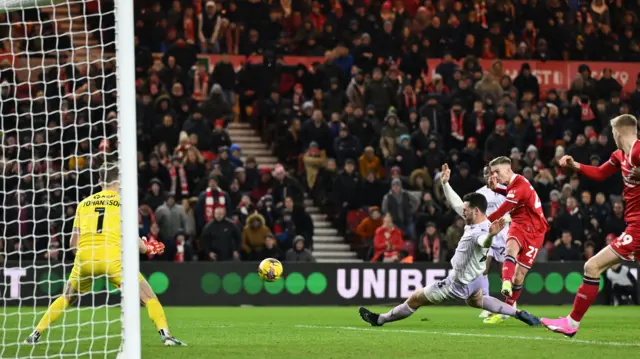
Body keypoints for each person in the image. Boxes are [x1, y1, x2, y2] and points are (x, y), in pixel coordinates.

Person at [24, 164, 185, 346]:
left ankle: (35, 334)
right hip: (113, 260)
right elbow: (137, 246)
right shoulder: (124, 204)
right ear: (120, 181)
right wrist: (150, 248)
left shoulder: (83, 204)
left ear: (100, 181)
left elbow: (72, 244)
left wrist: (87, 259)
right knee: (149, 298)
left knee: (66, 297)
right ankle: (166, 336)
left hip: (84, 259)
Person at [358, 190, 540, 328]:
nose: (463, 212)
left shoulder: (479, 231)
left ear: (475, 211)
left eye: (466, 209)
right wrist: (445, 184)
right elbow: (456, 203)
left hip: (456, 284)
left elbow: (484, 241)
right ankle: (518, 313)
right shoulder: (482, 221)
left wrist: (492, 236)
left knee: (415, 298)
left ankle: (380, 319)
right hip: (475, 279)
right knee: (478, 300)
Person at [542, 114, 640, 337]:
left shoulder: (637, 151)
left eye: (613, 133)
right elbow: (600, 173)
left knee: (592, 267)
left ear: (618, 132)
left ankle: (572, 323)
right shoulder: (620, 155)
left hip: (638, 227)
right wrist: (575, 165)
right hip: (633, 223)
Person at [443, 165, 510, 322]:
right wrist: (446, 184)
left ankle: (508, 307)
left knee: (504, 274)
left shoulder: (506, 192)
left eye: (492, 174)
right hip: (485, 234)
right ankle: (486, 303)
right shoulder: (480, 194)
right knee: (482, 269)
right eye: (486, 174)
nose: (489, 176)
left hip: (502, 235)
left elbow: (517, 211)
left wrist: (505, 219)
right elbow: (461, 207)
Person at [486, 156, 549, 315]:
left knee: (519, 277)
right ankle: (505, 283)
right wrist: (496, 189)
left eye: (497, 172)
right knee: (511, 248)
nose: (495, 176)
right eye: (492, 173)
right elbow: (509, 193)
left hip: (536, 232)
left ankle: (507, 309)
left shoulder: (519, 186)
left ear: (508, 170)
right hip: (519, 224)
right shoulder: (514, 184)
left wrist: (481, 223)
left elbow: (503, 209)